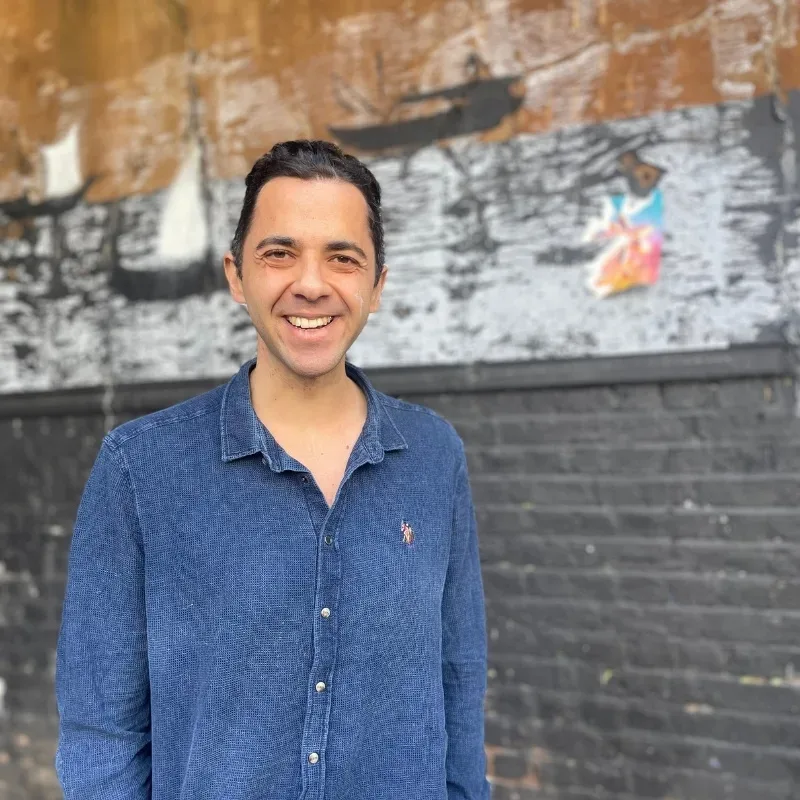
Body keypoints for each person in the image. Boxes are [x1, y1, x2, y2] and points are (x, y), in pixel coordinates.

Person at [55, 139, 489, 800]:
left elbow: (458, 679)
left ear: (377, 285)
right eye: (279, 254)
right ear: (237, 276)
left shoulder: (433, 456)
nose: (311, 284)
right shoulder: (141, 467)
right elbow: (101, 731)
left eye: (343, 258)